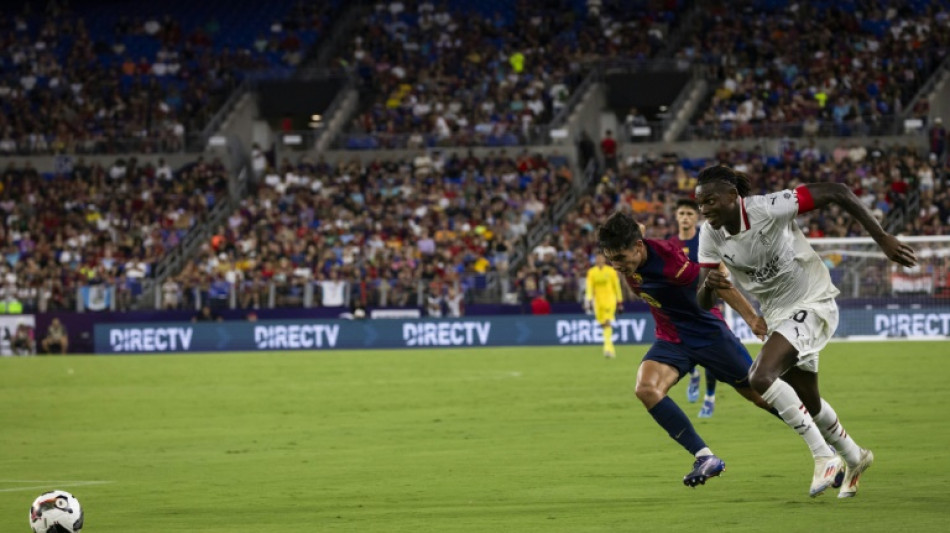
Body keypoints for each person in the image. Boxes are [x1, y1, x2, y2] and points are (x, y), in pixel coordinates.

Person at [694, 164, 917, 498]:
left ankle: (824, 456)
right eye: (701, 204)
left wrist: (881, 237)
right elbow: (703, 299)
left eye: (710, 200)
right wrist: (710, 287)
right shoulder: (710, 235)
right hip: (778, 315)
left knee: (760, 376)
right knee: (809, 401)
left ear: (732, 196)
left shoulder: (770, 208)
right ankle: (855, 457)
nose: (705, 209)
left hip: (812, 301)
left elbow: (838, 191)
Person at [598, 210, 773, 488]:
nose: (617, 265)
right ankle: (706, 457)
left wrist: (752, 318)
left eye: (620, 258)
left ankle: (824, 432)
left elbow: (716, 281)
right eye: (611, 259)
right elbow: (638, 227)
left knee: (763, 397)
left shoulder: (672, 266)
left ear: (639, 247)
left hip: (708, 336)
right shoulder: (635, 247)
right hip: (671, 338)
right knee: (646, 389)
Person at [668, 199, 718, 417]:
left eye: (690, 213)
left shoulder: (704, 240)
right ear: (676, 217)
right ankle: (693, 375)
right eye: (682, 213)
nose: (686, 217)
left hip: (704, 302)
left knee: (712, 353)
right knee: (681, 349)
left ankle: (709, 398)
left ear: (696, 217)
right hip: (679, 307)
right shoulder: (670, 244)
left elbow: (716, 267)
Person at [584, 253, 623, 358]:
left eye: (601, 259)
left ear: (604, 260)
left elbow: (616, 286)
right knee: (603, 325)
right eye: (597, 259)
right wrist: (588, 300)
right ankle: (611, 348)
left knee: (607, 322)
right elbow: (589, 287)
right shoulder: (591, 272)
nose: (599, 261)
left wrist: (619, 301)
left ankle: (607, 348)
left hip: (610, 300)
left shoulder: (611, 271)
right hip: (597, 302)